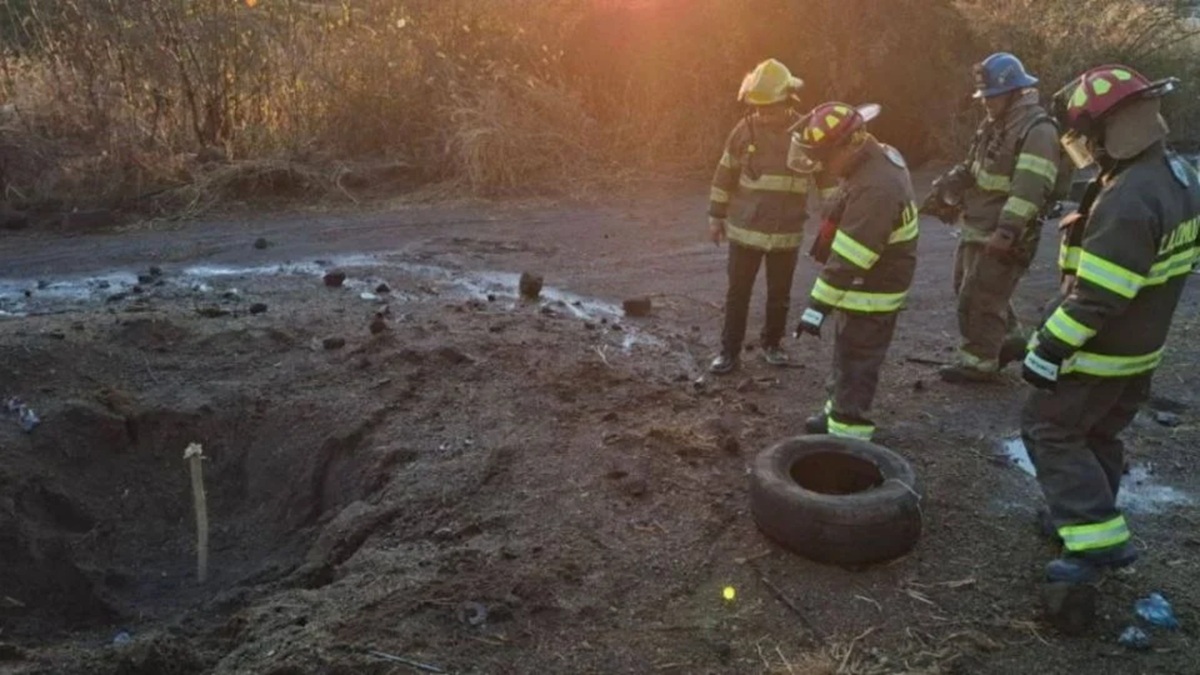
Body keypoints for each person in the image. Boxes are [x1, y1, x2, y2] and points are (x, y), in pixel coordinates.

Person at [1021, 65, 1199, 583]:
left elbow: (1099, 296)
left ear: (1108, 127)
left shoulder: (1128, 197)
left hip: (1099, 352)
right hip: (1140, 350)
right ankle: (1078, 517)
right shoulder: (1178, 175)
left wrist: (1047, 348)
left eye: (1086, 133)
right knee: (1098, 431)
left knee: (1049, 430)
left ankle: (1095, 540)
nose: (1083, 145)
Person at [929, 53, 1064, 384]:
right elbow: (976, 167)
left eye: (993, 96)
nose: (987, 103)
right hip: (979, 224)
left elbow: (1030, 188)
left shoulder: (1037, 130)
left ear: (1016, 92)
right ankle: (1008, 339)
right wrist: (950, 185)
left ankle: (979, 362)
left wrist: (1007, 231)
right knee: (969, 286)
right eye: (984, 97)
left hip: (1005, 231)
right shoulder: (995, 124)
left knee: (980, 296)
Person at [789, 102, 918, 440]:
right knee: (847, 350)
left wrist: (816, 308)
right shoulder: (871, 157)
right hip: (868, 280)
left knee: (858, 359)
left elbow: (851, 258)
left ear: (847, 145)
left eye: (825, 156)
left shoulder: (876, 187)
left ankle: (849, 437)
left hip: (874, 287)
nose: (822, 165)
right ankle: (838, 410)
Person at [707, 59, 836, 375]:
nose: (763, 115)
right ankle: (729, 353)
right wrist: (716, 215)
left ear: (789, 101)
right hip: (744, 230)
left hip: (787, 232)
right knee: (738, 295)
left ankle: (773, 345)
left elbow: (826, 179)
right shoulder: (743, 131)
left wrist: (832, 218)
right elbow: (725, 173)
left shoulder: (807, 133)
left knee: (779, 296)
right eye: (758, 108)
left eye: (771, 108)